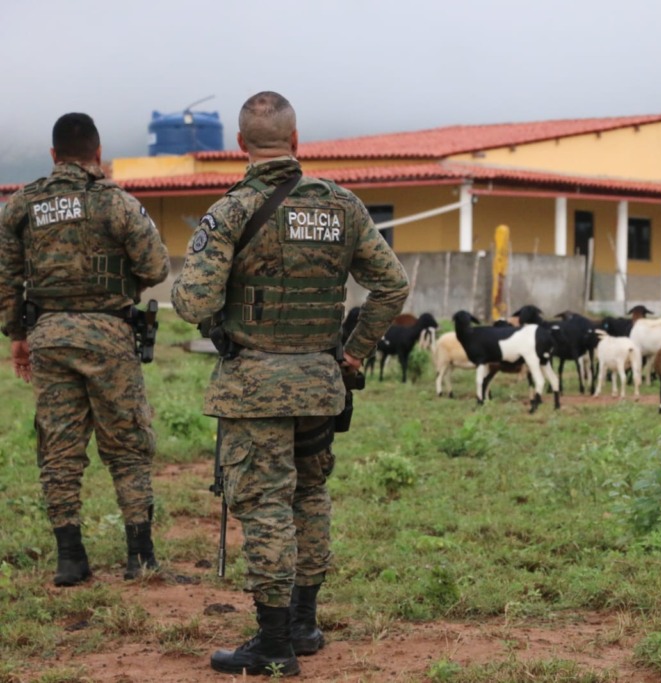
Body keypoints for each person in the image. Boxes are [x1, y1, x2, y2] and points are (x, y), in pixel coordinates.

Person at [171, 91, 409, 677]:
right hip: (320, 384)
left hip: (254, 388)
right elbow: (393, 287)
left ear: (239, 145)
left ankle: (274, 644)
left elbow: (193, 299)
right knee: (310, 496)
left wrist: (217, 308)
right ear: (298, 141)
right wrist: (351, 355)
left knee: (265, 504)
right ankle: (304, 623)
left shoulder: (229, 211)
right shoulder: (344, 208)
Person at [0, 113, 170, 587]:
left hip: (48, 336)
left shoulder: (21, 205)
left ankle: (70, 558)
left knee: (59, 446)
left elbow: (7, 278)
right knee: (128, 443)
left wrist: (17, 335)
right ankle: (139, 554)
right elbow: (156, 266)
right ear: (97, 153)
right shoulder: (115, 202)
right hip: (110, 336)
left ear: (54, 155)